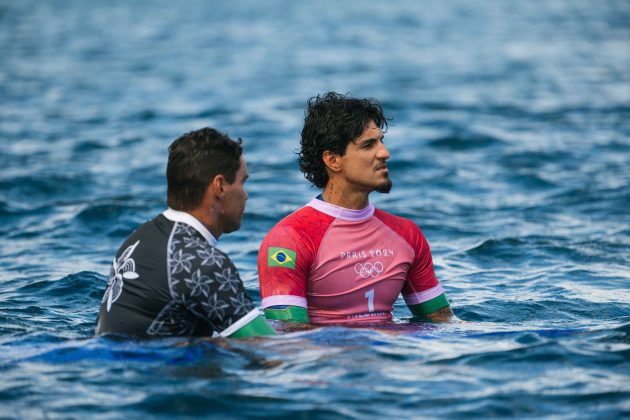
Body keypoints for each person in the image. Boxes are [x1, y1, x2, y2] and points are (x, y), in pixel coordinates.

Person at [257, 92, 455, 325]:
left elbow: (444, 324)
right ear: (332, 160)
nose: (384, 152)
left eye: (381, 142)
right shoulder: (289, 239)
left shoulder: (407, 234)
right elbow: (288, 338)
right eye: (368, 145)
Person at [96, 128, 276, 338]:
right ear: (219, 187)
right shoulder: (203, 263)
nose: (245, 194)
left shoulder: (139, 237)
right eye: (242, 181)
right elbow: (273, 351)